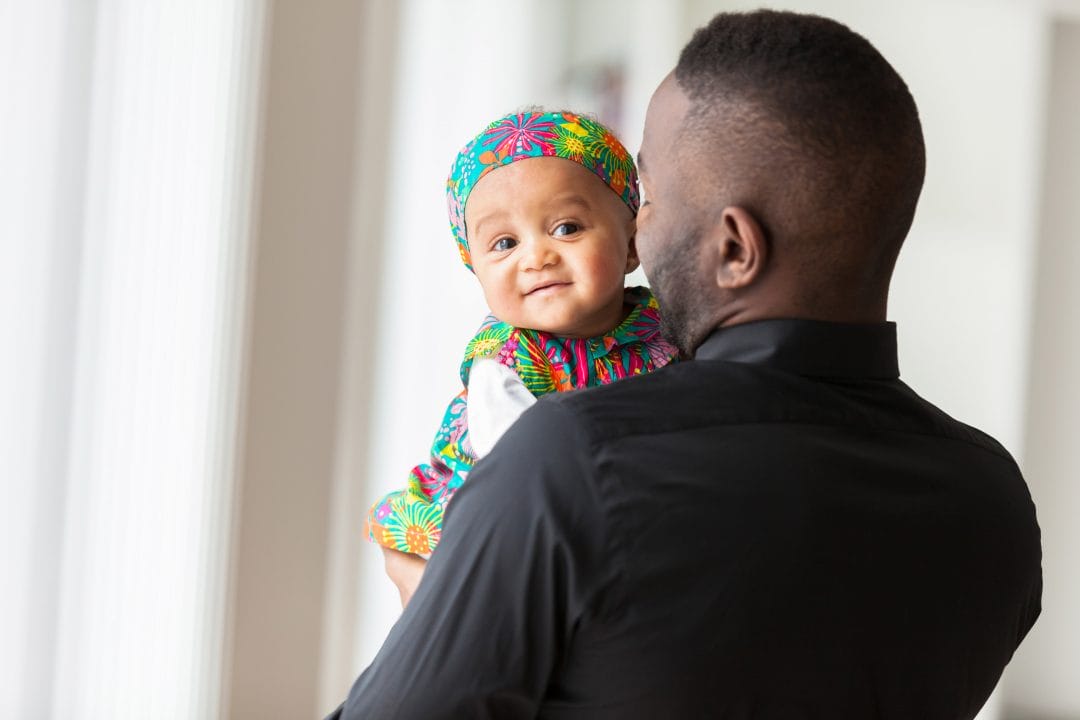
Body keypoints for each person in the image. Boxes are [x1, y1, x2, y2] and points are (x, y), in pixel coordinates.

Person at [329, 10, 1041, 719]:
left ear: (735, 247)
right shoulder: (994, 503)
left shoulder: (569, 461)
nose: (638, 225)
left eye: (650, 198)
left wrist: (444, 619)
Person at [365, 109, 678, 607]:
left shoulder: (661, 326)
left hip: (609, 504)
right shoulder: (506, 361)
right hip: (496, 503)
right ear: (476, 267)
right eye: (505, 243)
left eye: (567, 228)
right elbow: (522, 466)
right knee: (480, 589)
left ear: (632, 244)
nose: (537, 257)